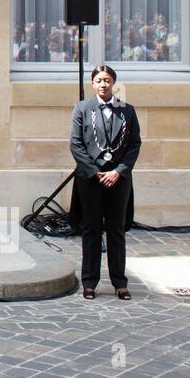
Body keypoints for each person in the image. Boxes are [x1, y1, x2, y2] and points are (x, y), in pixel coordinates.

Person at [70, 65, 142, 300]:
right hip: (91, 179)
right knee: (91, 229)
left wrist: (119, 171)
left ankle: (119, 282)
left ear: (114, 83)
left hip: (118, 180)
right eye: (99, 80)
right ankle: (89, 282)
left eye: (108, 80)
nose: (103, 84)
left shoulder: (127, 110)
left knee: (116, 230)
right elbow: (76, 144)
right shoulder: (82, 108)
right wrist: (95, 172)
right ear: (92, 83)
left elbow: (134, 144)